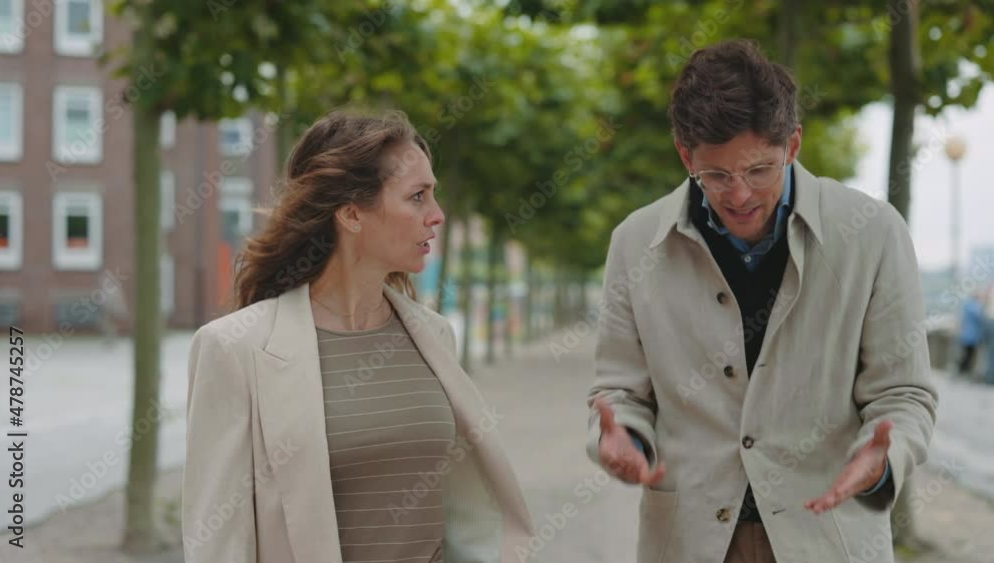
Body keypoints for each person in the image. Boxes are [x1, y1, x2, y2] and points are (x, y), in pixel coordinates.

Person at [585, 40, 938, 563]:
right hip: (688, 542)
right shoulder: (634, 244)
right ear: (685, 155)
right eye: (716, 175)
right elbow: (620, 393)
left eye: (759, 170)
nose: (740, 195)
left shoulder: (874, 233)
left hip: (828, 540)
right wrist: (622, 440)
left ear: (793, 145)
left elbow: (904, 392)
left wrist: (885, 458)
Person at [182, 110, 533, 563]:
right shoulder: (234, 348)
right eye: (418, 197)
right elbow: (217, 543)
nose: (437, 215)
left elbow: (460, 510)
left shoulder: (435, 336)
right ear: (351, 214)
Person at [956, 290, 986, 378]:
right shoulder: (975, 307)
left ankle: (961, 371)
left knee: (965, 354)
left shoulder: (967, 305)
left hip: (966, 334)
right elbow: (980, 317)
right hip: (972, 336)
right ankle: (964, 371)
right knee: (969, 355)